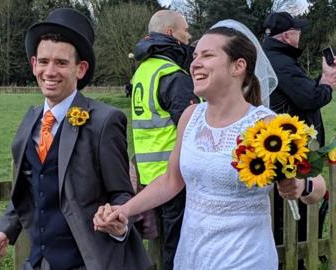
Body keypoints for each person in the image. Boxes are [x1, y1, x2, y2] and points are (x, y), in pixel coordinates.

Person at [94, 19, 301, 270]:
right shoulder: (190, 117)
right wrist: (124, 211)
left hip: (245, 257)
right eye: (194, 56)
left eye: (207, 55)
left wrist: (300, 185)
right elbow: (172, 180)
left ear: (238, 66)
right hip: (193, 254)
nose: (194, 63)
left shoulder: (269, 127)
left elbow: (317, 185)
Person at [0, 8, 150, 270]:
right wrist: (4, 231)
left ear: (80, 69)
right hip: (39, 262)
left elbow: (121, 194)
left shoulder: (104, 121)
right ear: (33, 64)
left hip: (88, 261)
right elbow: (29, 187)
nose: (50, 71)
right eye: (43, 61)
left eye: (61, 63)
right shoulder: (30, 120)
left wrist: (117, 222)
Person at [262, 11, 336, 264]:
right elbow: (310, 98)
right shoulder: (281, 62)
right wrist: (327, 82)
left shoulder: (273, 58)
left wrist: (322, 78)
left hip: (283, 146)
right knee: (297, 211)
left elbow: (301, 91)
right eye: (297, 30)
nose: (301, 34)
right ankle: (297, 258)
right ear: (287, 35)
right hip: (289, 149)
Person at [130, 9, 200, 270]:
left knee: (163, 247)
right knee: (178, 246)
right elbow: (192, 125)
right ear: (170, 33)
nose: (189, 36)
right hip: (175, 174)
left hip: (150, 175)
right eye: (186, 30)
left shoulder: (143, 71)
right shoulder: (172, 75)